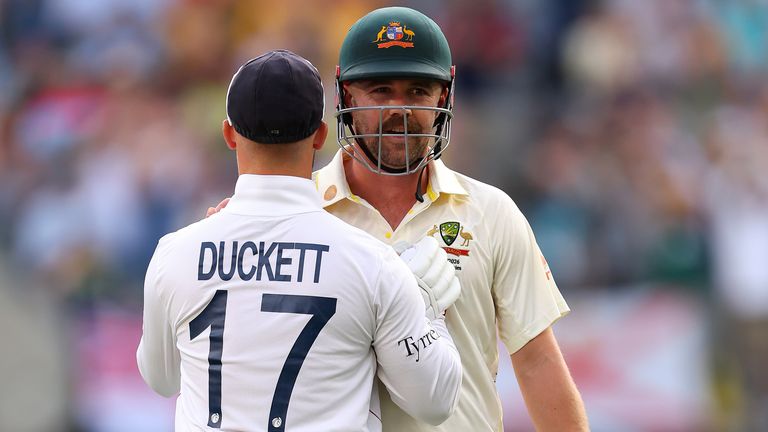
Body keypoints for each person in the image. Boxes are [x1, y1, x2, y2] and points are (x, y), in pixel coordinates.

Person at [208, 7, 589, 431]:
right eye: (381, 89)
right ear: (346, 97)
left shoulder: (490, 212)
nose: (400, 109)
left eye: (419, 91)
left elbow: (537, 363)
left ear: (444, 98)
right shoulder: (295, 208)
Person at [137, 49, 463, 432]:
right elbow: (436, 401)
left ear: (228, 134)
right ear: (321, 136)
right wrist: (426, 307)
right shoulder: (372, 263)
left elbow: (161, 380)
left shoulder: (175, 253)